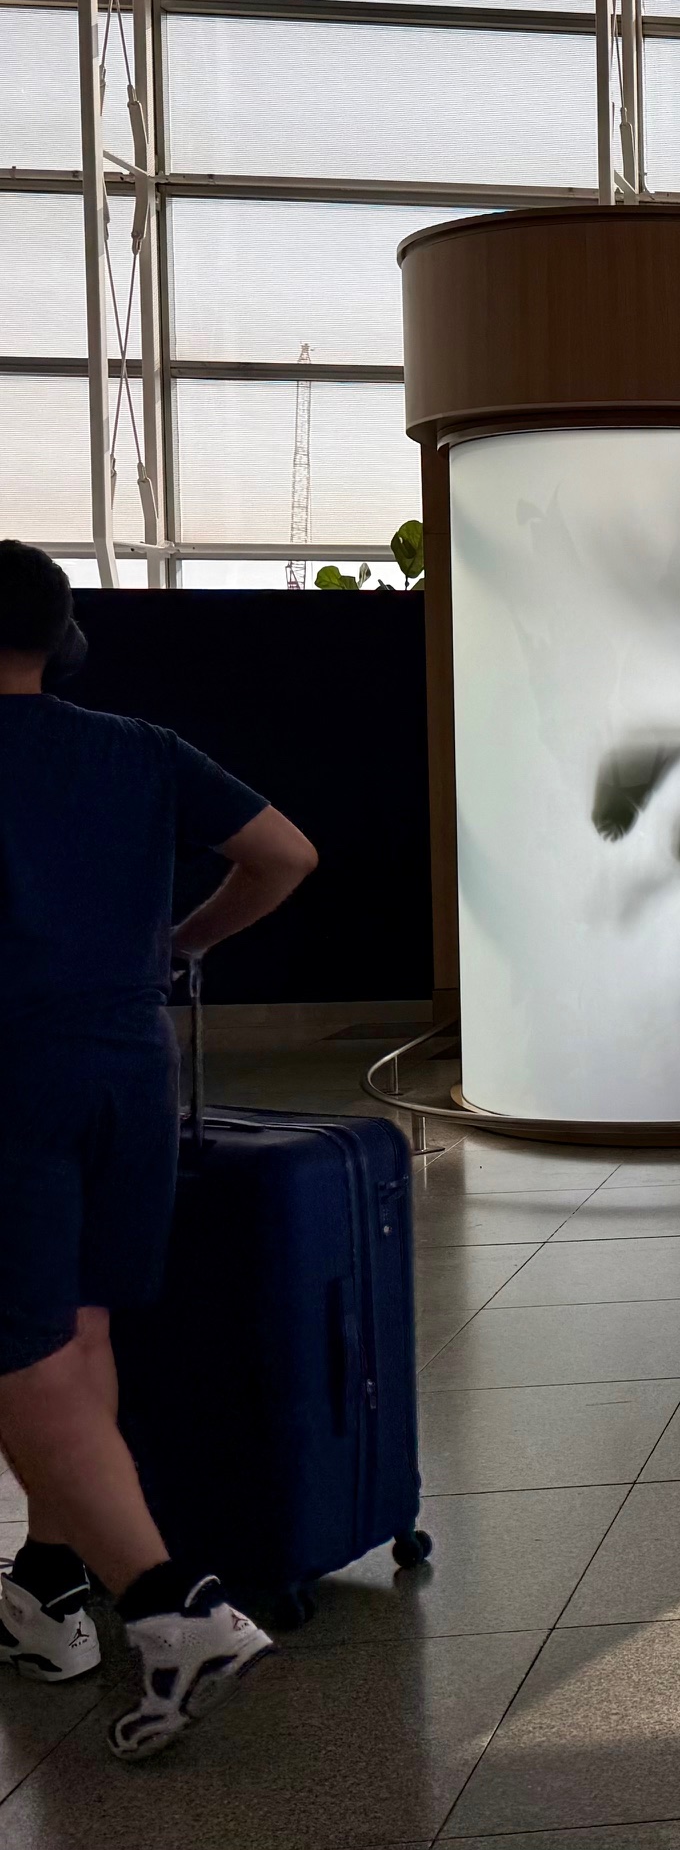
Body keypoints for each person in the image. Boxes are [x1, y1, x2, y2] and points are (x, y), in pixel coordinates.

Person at [0, 540, 318, 1759]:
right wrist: (180, 943)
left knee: (21, 1361)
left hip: (10, 1077)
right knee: (79, 1335)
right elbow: (285, 854)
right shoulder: (134, 748)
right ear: (62, 637)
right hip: (130, 1070)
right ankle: (48, 1588)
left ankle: (166, 1605)